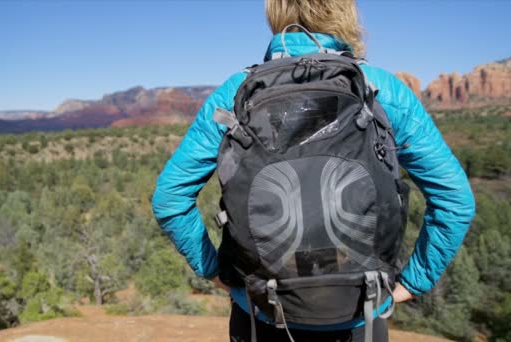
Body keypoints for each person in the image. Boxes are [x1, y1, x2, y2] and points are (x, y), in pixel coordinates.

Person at [151, 1, 475, 341]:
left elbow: (170, 199)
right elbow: (455, 201)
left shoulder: (236, 94)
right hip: (359, 313)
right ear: (346, 14)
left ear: (274, 14)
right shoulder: (381, 90)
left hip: (260, 311)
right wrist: (413, 282)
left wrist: (215, 271)